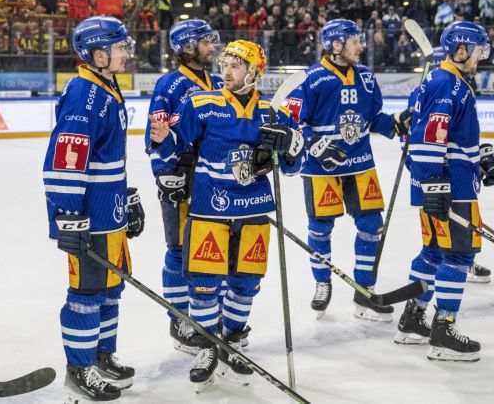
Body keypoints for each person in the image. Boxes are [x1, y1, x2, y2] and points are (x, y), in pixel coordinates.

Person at [157, 40, 301, 391]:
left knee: (245, 285)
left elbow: (296, 164)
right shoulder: (201, 103)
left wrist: (290, 144)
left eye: (237, 65)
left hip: (253, 211)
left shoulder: (271, 112)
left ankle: (232, 341)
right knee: (204, 285)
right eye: (225, 63)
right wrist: (163, 140)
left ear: (254, 72)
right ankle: (208, 346)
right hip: (209, 208)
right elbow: (171, 143)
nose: (227, 70)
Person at [282, 19, 412, 320]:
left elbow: (374, 117)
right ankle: (322, 283)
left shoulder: (366, 77)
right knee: (321, 228)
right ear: (336, 44)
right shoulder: (312, 79)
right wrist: (314, 143)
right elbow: (293, 122)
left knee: (371, 226)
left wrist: (397, 122)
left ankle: (364, 291)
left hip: (360, 164)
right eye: (354, 41)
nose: (361, 46)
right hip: (321, 168)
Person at [43, 16, 143, 403]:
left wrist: (126, 196)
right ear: (98, 53)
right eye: (120, 48)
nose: (126, 53)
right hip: (90, 214)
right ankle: (79, 369)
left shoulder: (107, 87)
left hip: (110, 210)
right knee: (86, 293)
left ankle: (102, 355)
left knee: (111, 289)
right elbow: (65, 160)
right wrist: (67, 213)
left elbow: (104, 156)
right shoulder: (85, 93)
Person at [395, 20, 494, 361]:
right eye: (477, 51)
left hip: (443, 183)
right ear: (461, 50)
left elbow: (449, 137)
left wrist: (479, 156)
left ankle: (412, 319)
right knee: (458, 255)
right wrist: (435, 185)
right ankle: (444, 329)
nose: (480, 57)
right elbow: (430, 138)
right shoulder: (448, 84)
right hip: (449, 187)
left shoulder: (449, 81)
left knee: (432, 250)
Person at [145, 20, 224, 355]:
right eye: (206, 42)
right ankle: (179, 319)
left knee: (211, 246)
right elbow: (156, 136)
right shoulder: (170, 84)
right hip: (181, 177)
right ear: (188, 47)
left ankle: (207, 313)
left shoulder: (218, 81)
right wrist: (165, 174)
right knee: (179, 250)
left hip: (213, 178)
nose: (213, 48)